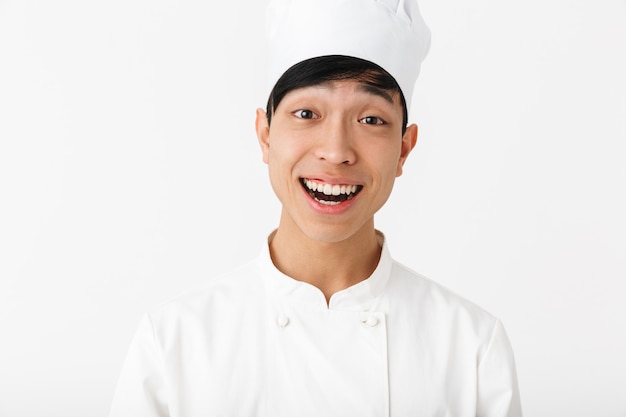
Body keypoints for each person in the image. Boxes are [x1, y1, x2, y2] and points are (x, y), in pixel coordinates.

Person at [109, 0, 523, 416]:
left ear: (404, 148)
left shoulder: (471, 348)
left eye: (371, 120)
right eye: (307, 113)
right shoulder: (175, 344)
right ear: (265, 135)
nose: (336, 151)